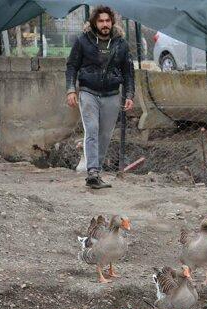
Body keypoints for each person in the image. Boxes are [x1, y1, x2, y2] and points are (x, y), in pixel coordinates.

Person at [65, 5, 135, 189]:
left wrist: (129, 94)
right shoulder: (83, 41)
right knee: (92, 129)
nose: (105, 24)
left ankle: (97, 171)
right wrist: (71, 89)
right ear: (94, 23)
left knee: (105, 135)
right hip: (88, 91)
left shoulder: (121, 44)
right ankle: (93, 172)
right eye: (101, 21)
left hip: (112, 94)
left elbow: (128, 72)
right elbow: (72, 66)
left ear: (112, 22)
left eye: (107, 21)